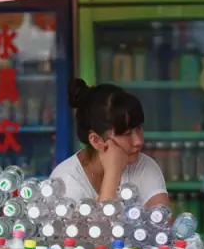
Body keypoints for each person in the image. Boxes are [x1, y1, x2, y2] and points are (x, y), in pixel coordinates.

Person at [51, 79, 170, 208]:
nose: (138, 141)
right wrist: (113, 173)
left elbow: (163, 222)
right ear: (96, 140)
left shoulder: (144, 166)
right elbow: (101, 228)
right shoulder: (65, 180)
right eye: (126, 134)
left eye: (138, 128)